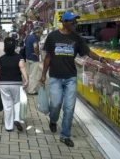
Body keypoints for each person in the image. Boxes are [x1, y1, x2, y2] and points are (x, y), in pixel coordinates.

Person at [41, 11, 110, 147]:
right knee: (55, 104)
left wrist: (101, 58)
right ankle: (53, 120)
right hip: (55, 77)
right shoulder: (53, 36)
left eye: (75, 21)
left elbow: (88, 52)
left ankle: (65, 135)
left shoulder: (76, 38)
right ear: (64, 22)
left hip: (70, 78)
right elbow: (48, 57)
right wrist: (43, 74)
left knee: (69, 107)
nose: (74, 23)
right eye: (72, 21)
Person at [0, 38, 28, 132]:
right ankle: (16, 119)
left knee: (7, 104)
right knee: (17, 101)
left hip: (3, 83)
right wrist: (26, 80)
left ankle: (9, 127)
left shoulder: (1, 59)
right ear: (14, 46)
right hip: (16, 83)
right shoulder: (19, 57)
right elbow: (22, 67)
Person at [25, 26, 43, 95]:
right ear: (37, 33)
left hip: (28, 58)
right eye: (40, 33)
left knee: (29, 74)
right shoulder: (35, 38)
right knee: (34, 75)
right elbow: (35, 46)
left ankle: (29, 87)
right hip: (34, 59)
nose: (41, 35)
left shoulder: (29, 37)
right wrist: (37, 54)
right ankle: (31, 90)